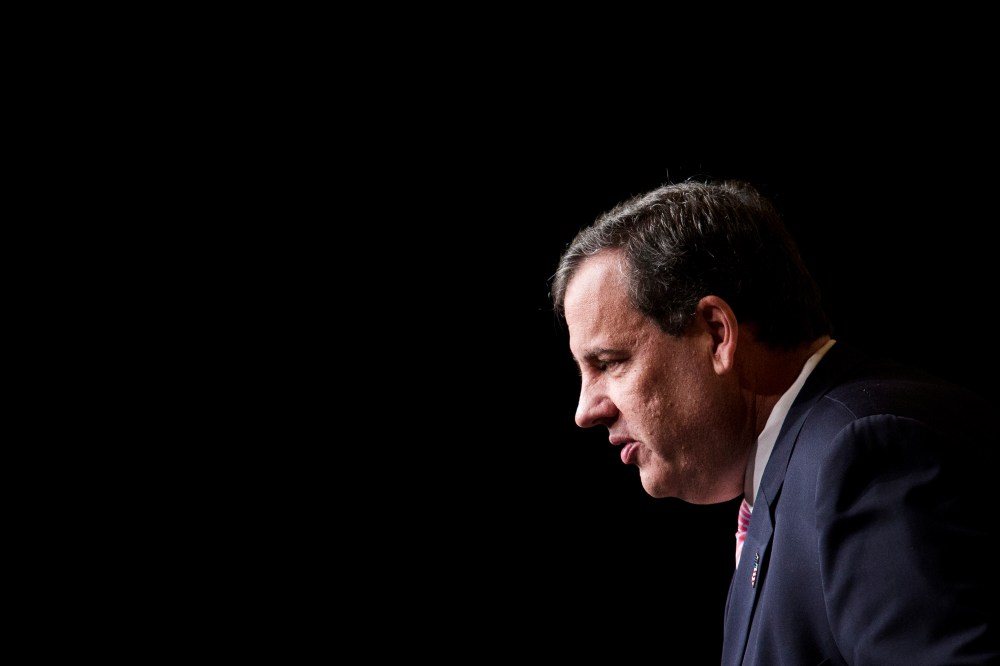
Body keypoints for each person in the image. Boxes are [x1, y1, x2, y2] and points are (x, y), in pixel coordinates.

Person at [548, 178, 997, 664]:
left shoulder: (865, 457)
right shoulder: (795, 467)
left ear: (717, 334)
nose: (585, 410)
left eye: (610, 363)